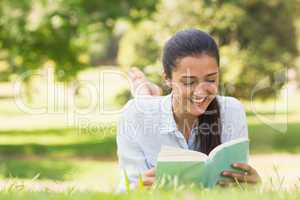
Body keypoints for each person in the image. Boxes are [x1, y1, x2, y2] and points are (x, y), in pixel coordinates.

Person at [117, 28, 261, 191]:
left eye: (211, 79)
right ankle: (144, 93)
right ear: (167, 78)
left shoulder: (231, 111)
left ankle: (149, 93)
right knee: (142, 107)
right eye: (188, 82)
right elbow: (125, 190)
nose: (200, 91)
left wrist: (252, 185)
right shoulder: (134, 115)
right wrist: (139, 188)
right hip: (148, 110)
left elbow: (236, 187)